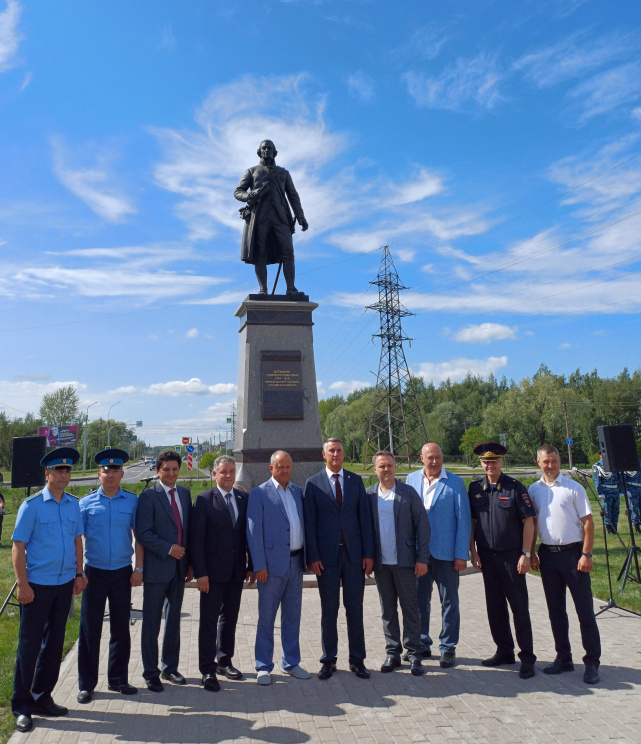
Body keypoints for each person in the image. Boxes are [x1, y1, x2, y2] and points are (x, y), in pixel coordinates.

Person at [11, 447, 86, 733]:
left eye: (67, 471)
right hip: (37, 586)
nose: (64, 475)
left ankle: (42, 697)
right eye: (58, 470)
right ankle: (22, 706)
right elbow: (18, 548)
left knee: (54, 646)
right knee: (29, 647)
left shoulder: (72, 505)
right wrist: (23, 584)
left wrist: (79, 573)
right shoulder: (31, 506)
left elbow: (78, 540)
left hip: (64, 583)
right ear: (47, 474)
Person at [529, 445, 601, 685]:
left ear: (559, 461)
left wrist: (586, 554)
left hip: (573, 555)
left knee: (584, 611)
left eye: (554, 461)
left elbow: (588, 524)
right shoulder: (533, 490)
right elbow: (531, 524)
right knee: (556, 611)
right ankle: (564, 657)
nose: (550, 465)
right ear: (538, 462)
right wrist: (531, 553)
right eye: (546, 461)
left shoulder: (574, 488)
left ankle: (592, 662)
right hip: (548, 555)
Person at [303, 437, 375, 680]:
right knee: (329, 610)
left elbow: (365, 519)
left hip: (354, 556)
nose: (335, 455)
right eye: (331, 451)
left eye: (339, 451)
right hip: (327, 559)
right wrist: (312, 556)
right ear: (324, 455)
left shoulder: (356, 481)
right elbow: (309, 524)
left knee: (355, 609)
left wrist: (368, 554)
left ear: (344, 454)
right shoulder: (312, 484)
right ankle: (328, 660)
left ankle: (358, 660)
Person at [77, 449, 144, 704]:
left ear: (122, 474)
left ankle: (118, 679)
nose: (111, 474)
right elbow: (77, 542)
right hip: (93, 573)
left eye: (115, 470)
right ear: (99, 474)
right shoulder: (86, 503)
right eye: (106, 470)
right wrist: (79, 573)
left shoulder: (131, 501)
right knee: (89, 629)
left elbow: (139, 538)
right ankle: (86, 684)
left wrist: (139, 569)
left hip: (121, 573)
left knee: (120, 628)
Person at [468, 442, 537, 679]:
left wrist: (526, 554)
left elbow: (529, 521)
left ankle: (527, 657)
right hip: (487, 557)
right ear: (481, 463)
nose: (490, 465)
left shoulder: (515, 488)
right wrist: (473, 552)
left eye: (494, 460)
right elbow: (473, 522)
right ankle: (504, 650)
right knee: (495, 608)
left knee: (519, 608)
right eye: (486, 461)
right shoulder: (475, 488)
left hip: (512, 558)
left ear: (502, 462)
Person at [190, 455, 254, 692]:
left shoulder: (243, 498)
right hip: (212, 575)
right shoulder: (204, 500)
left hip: (236, 572)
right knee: (208, 621)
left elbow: (249, 535)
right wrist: (201, 573)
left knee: (230, 618)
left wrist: (250, 566)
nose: (228, 475)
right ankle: (207, 669)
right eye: (223, 471)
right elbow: (197, 540)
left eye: (231, 471)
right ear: (215, 474)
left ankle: (224, 661)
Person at [405, 442, 471, 668]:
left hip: (447, 555)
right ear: (421, 458)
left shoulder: (455, 483)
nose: (434, 462)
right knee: (419, 601)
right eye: (429, 458)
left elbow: (463, 520)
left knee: (449, 602)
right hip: (419, 555)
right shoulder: (411, 480)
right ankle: (422, 642)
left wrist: (461, 554)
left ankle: (448, 647)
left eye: (438, 457)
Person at [246, 450, 309, 685]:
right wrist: (258, 565)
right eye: (279, 467)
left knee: (292, 617)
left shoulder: (297, 491)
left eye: (288, 467)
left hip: (295, 563)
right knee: (267, 617)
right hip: (270, 567)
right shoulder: (259, 493)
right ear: (271, 468)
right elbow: (253, 533)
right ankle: (263, 665)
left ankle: (291, 662)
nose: (284, 471)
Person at [365, 451, 430, 676]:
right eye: (382, 466)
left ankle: (413, 653)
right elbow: (365, 531)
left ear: (395, 467)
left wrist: (422, 559)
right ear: (375, 470)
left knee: (410, 608)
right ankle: (392, 652)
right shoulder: (369, 495)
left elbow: (423, 526)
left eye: (390, 465)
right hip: (382, 565)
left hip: (405, 562)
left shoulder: (408, 493)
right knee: (388, 610)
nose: (386, 470)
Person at [135, 450, 192, 692]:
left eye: (174, 469)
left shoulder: (185, 494)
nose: (171, 473)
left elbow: (188, 530)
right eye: (166, 469)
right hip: (157, 569)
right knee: (151, 623)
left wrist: (190, 563)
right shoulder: (148, 497)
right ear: (157, 471)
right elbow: (143, 533)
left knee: (173, 622)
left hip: (179, 570)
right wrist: (169, 549)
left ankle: (170, 667)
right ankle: (151, 672)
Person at [234, 139, 309, 296]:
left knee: (288, 251)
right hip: (259, 217)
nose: (266, 150)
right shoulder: (251, 171)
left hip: (281, 217)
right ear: (259, 151)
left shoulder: (283, 173)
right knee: (259, 252)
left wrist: (300, 216)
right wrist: (249, 196)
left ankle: (291, 288)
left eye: (269, 148)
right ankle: (263, 289)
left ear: (275, 152)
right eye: (264, 148)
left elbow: (293, 196)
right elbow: (238, 192)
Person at [592, 458, 621, 534]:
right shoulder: (597, 466)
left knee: (616, 510)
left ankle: (615, 527)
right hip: (606, 491)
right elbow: (596, 479)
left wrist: (621, 490)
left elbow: (619, 477)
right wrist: (600, 492)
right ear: (600, 455)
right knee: (607, 511)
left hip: (615, 490)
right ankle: (609, 528)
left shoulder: (613, 464)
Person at [623, 464, 641, 534]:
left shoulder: (639, 462)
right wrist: (626, 490)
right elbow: (623, 478)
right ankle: (637, 527)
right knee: (634, 509)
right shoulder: (626, 463)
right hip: (632, 489)